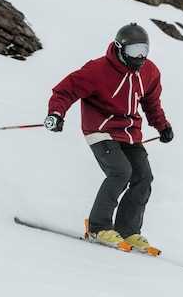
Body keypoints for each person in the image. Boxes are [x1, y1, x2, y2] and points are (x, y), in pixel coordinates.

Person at [45, 23, 173, 252]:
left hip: (129, 133)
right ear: (120, 49)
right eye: (134, 51)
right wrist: (56, 113)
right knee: (120, 172)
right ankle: (98, 227)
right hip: (100, 129)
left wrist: (162, 126)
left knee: (143, 177)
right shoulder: (98, 70)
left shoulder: (149, 72)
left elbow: (151, 103)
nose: (140, 57)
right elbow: (65, 90)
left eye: (144, 50)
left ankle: (128, 230)